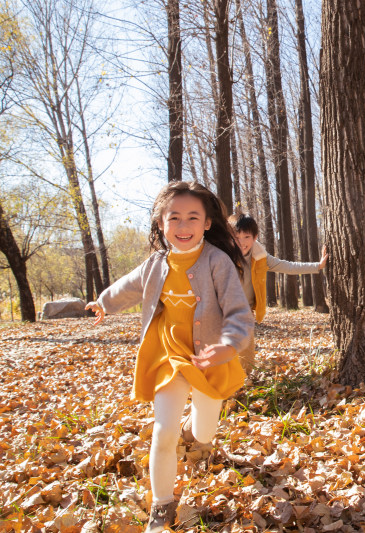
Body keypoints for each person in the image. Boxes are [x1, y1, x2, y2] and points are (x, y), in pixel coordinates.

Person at [85, 182, 253, 532]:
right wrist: (103, 302)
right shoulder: (155, 264)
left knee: (205, 431)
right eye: (173, 217)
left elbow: (239, 313)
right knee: (163, 433)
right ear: (161, 223)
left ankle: (196, 436)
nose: (183, 225)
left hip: (209, 358)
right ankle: (162, 506)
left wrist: (228, 345)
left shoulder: (217, 262)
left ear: (207, 223)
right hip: (169, 357)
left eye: (193, 217)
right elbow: (127, 286)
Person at [228, 213, 328, 374]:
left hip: (245, 310)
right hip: (221, 308)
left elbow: (287, 266)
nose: (241, 241)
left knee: (246, 350)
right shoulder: (222, 255)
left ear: (255, 237)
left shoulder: (259, 256)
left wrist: (318, 266)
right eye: (236, 236)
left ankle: (243, 384)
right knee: (224, 348)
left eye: (246, 236)